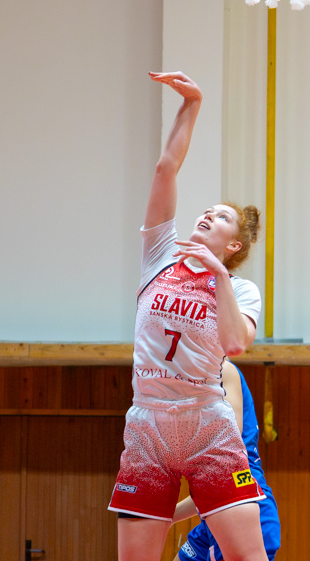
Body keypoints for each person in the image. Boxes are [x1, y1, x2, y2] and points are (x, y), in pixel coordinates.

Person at [108, 71, 268, 561]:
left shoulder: (240, 288)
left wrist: (217, 275)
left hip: (206, 422)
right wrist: (192, 103)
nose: (207, 215)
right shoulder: (161, 254)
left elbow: (236, 345)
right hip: (149, 421)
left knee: (248, 557)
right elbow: (165, 169)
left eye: (221, 217)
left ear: (234, 244)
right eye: (207, 210)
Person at [174, 362, 281, 561]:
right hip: (214, 505)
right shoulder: (180, 380)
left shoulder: (220, 369)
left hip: (244, 500)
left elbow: (232, 432)